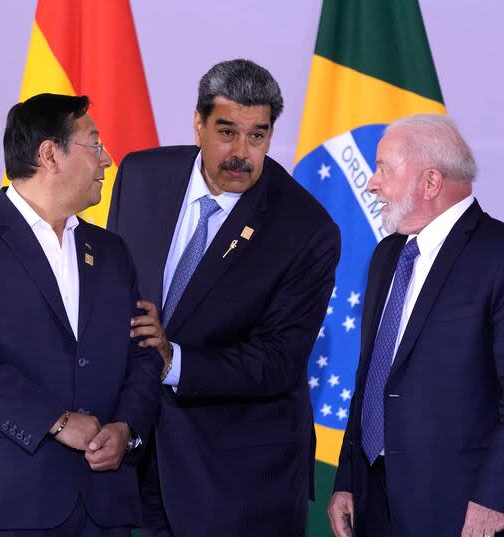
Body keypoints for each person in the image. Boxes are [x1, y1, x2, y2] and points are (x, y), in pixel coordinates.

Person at [107, 59, 341, 537]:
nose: (241, 153)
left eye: (257, 136)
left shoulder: (305, 228)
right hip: (134, 457)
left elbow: (278, 359)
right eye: (227, 132)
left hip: (237, 480)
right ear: (198, 123)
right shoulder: (142, 175)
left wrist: (173, 360)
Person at [327, 114, 504, 537]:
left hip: (465, 509)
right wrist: (349, 480)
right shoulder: (387, 256)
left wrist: (495, 499)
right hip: (378, 505)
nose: (372, 183)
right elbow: (372, 378)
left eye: (384, 169)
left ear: (429, 182)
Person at [0, 93, 162, 537]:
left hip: (103, 504)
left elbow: (144, 353)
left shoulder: (112, 252)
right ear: (50, 154)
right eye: (95, 144)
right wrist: (56, 421)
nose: (107, 160)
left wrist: (127, 429)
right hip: (7, 502)